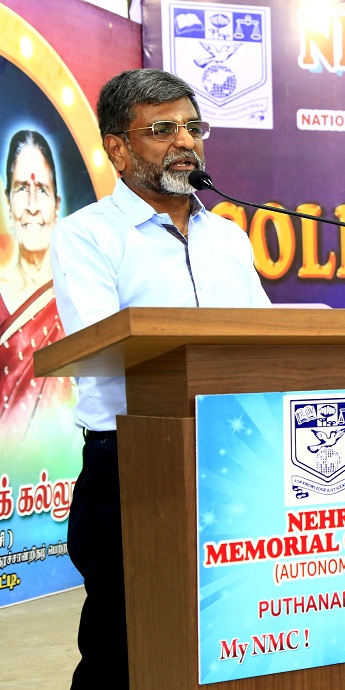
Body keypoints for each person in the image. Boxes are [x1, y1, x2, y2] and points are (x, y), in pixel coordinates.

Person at [50, 69, 271, 689]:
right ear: (117, 148)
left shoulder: (228, 237)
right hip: (134, 462)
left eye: (193, 127)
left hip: (235, 455)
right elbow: (102, 350)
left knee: (225, 638)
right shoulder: (88, 235)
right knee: (125, 645)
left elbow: (269, 340)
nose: (185, 142)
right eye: (163, 129)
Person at [0, 130, 77, 451]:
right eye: (22, 189)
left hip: (72, 466)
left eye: (42, 190)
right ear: (7, 202)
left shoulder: (80, 293)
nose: (32, 206)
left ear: (57, 206)